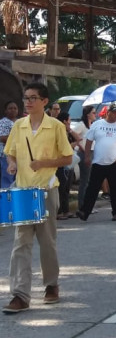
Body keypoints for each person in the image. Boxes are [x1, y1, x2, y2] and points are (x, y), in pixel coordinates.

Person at [2, 82, 73, 313]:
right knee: (20, 243)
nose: (28, 102)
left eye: (33, 98)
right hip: (23, 191)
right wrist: (12, 165)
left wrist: (44, 163)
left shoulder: (55, 127)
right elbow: (10, 152)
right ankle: (20, 294)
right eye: (26, 98)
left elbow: (67, 158)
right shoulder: (19, 126)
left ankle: (51, 284)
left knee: (47, 242)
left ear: (44, 101)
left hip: (46, 190)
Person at [76, 102, 116, 221]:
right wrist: (87, 156)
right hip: (98, 162)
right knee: (92, 188)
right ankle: (84, 212)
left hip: (115, 162)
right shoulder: (97, 124)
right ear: (108, 112)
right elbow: (89, 141)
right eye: (114, 112)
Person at [56, 112, 81, 219]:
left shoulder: (67, 131)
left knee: (66, 188)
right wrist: (70, 146)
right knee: (60, 188)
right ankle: (59, 212)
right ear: (65, 120)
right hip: (60, 163)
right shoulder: (58, 131)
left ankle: (66, 211)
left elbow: (78, 138)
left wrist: (69, 129)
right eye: (69, 120)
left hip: (69, 163)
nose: (70, 122)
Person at [71, 105, 97, 210]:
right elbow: (72, 133)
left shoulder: (92, 125)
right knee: (84, 180)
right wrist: (79, 145)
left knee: (89, 180)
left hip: (92, 152)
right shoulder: (81, 125)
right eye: (94, 113)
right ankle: (82, 205)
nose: (96, 115)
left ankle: (87, 204)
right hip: (84, 153)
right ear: (88, 114)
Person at [0, 100, 19, 188]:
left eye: (15, 108)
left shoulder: (20, 122)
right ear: (5, 111)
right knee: (7, 180)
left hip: (19, 156)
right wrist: (17, 138)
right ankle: (7, 199)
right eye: (10, 108)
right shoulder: (3, 122)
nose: (13, 110)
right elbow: (2, 138)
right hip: (6, 156)